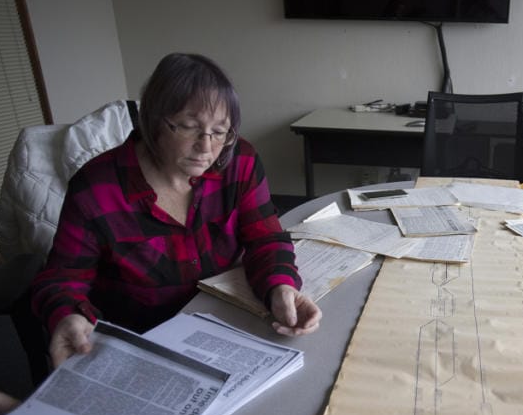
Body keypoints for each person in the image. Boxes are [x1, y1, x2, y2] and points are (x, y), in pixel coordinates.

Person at [31, 53, 321, 367]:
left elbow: (265, 238)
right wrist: (68, 315)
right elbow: (62, 279)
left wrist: (280, 286)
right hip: (143, 339)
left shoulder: (240, 162)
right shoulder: (96, 189)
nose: (207, 147)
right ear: (154, 122)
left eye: (220, 131)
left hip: (227, 322)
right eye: (188, 127)